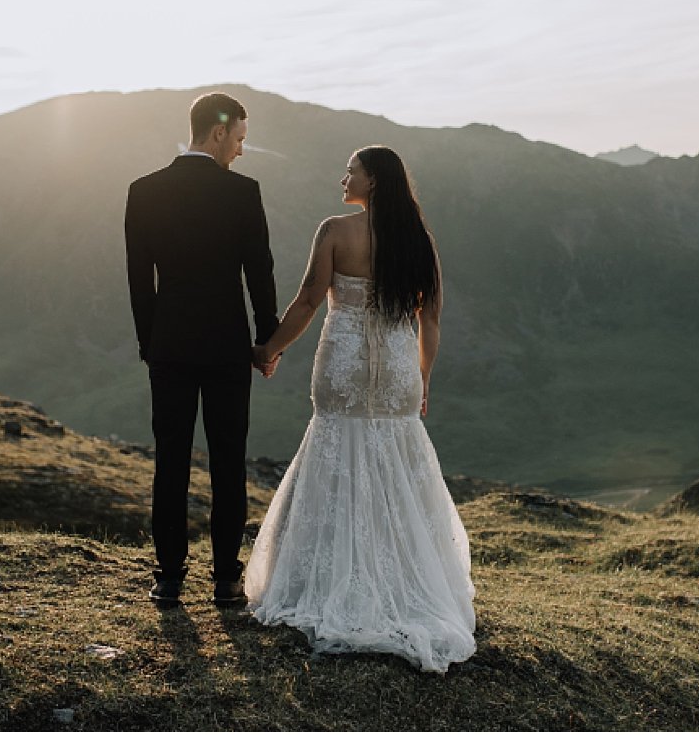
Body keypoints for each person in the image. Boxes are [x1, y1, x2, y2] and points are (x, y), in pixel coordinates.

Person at [244, 145, 476, 673]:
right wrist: (423, 379)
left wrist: (269, 349)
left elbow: (307, 299)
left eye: (351, 170)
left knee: (336, 455)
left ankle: (333, 582)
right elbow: (432, 318)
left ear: (372, 182)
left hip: (343, 365)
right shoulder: (419, 242)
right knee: (397, 467)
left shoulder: (335, 231)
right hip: (398, 369)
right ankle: (406, 582)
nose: (342, 176)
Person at [124, 92, 280, 608]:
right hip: (226, 348)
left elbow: (138, 280)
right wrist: (266, 338)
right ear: (217, 133)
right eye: (238, 138)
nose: (240, 150)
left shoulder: (143, 191)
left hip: (168, 346)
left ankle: (168, 577)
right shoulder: (242, 193)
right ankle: (226, 579)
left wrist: (151, 343)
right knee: (228, 460)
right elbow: (259, 270)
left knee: (169, 460)